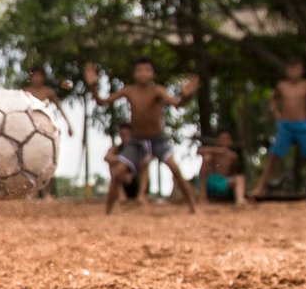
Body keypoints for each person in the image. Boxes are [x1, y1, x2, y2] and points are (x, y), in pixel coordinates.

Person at [84, 58, 199, 214]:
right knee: (118, 173)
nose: (143, 73)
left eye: (147, 70)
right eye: (139, 70)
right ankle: (108, 211)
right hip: (136, 141)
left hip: (158, 139)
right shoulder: (129, 90)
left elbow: (176, 104)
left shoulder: (157, 90)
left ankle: (193, 206)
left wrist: (185, 96)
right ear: (134, 74)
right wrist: (92, 87)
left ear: (152, 73)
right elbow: (102, 101)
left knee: (175, 169)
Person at [250, 60, 306, 199]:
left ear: (302, 70)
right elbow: (272, 100)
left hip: (303, 124)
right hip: (285, 125)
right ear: (286, 71)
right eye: (291, 69)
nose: (294, 72)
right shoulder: (282, 86)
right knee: (274, 155)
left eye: (297, 68)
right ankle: (260, 187)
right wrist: (276, 114)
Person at [23, 65, 75, 138]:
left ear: (43, 77)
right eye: (35, 75)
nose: (37, 78)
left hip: (44, 123)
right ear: (30, 77)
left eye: (39, 75)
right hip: (27, 123)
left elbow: (59, 108)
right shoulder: (25, 92)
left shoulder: (48, 92)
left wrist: (68, 125)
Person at [199, 131, 247, 207]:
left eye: (227, 139)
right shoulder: (212, 153)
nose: (224, 141)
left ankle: (240, 200)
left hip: (224, 182)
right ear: (217, 140)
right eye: (222, 138)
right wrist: (218, 151)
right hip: (211, 181)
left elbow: (233, 172)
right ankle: (202, 197)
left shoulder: (233, 156)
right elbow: (199, 151)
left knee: (240, 178)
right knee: (207, 158)